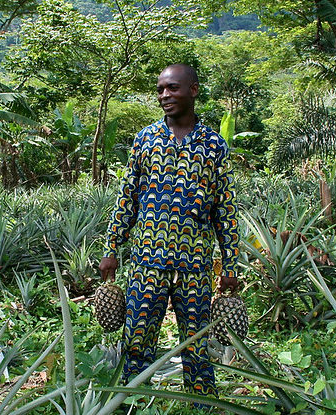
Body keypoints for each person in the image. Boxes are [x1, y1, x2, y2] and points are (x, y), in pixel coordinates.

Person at [99, 64, 240, 400]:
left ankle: (201, 404)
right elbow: (127, 198)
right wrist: (111, 248)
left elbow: (225, 209)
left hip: (195, 265)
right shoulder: (145, 140)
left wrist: (231, 265)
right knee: (137, 340)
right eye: (160, 90)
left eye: (172, 88)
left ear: (193, 89)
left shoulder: (213, 145)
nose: (164, 96)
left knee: (197, 343)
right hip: (147, 262)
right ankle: (135, 402)